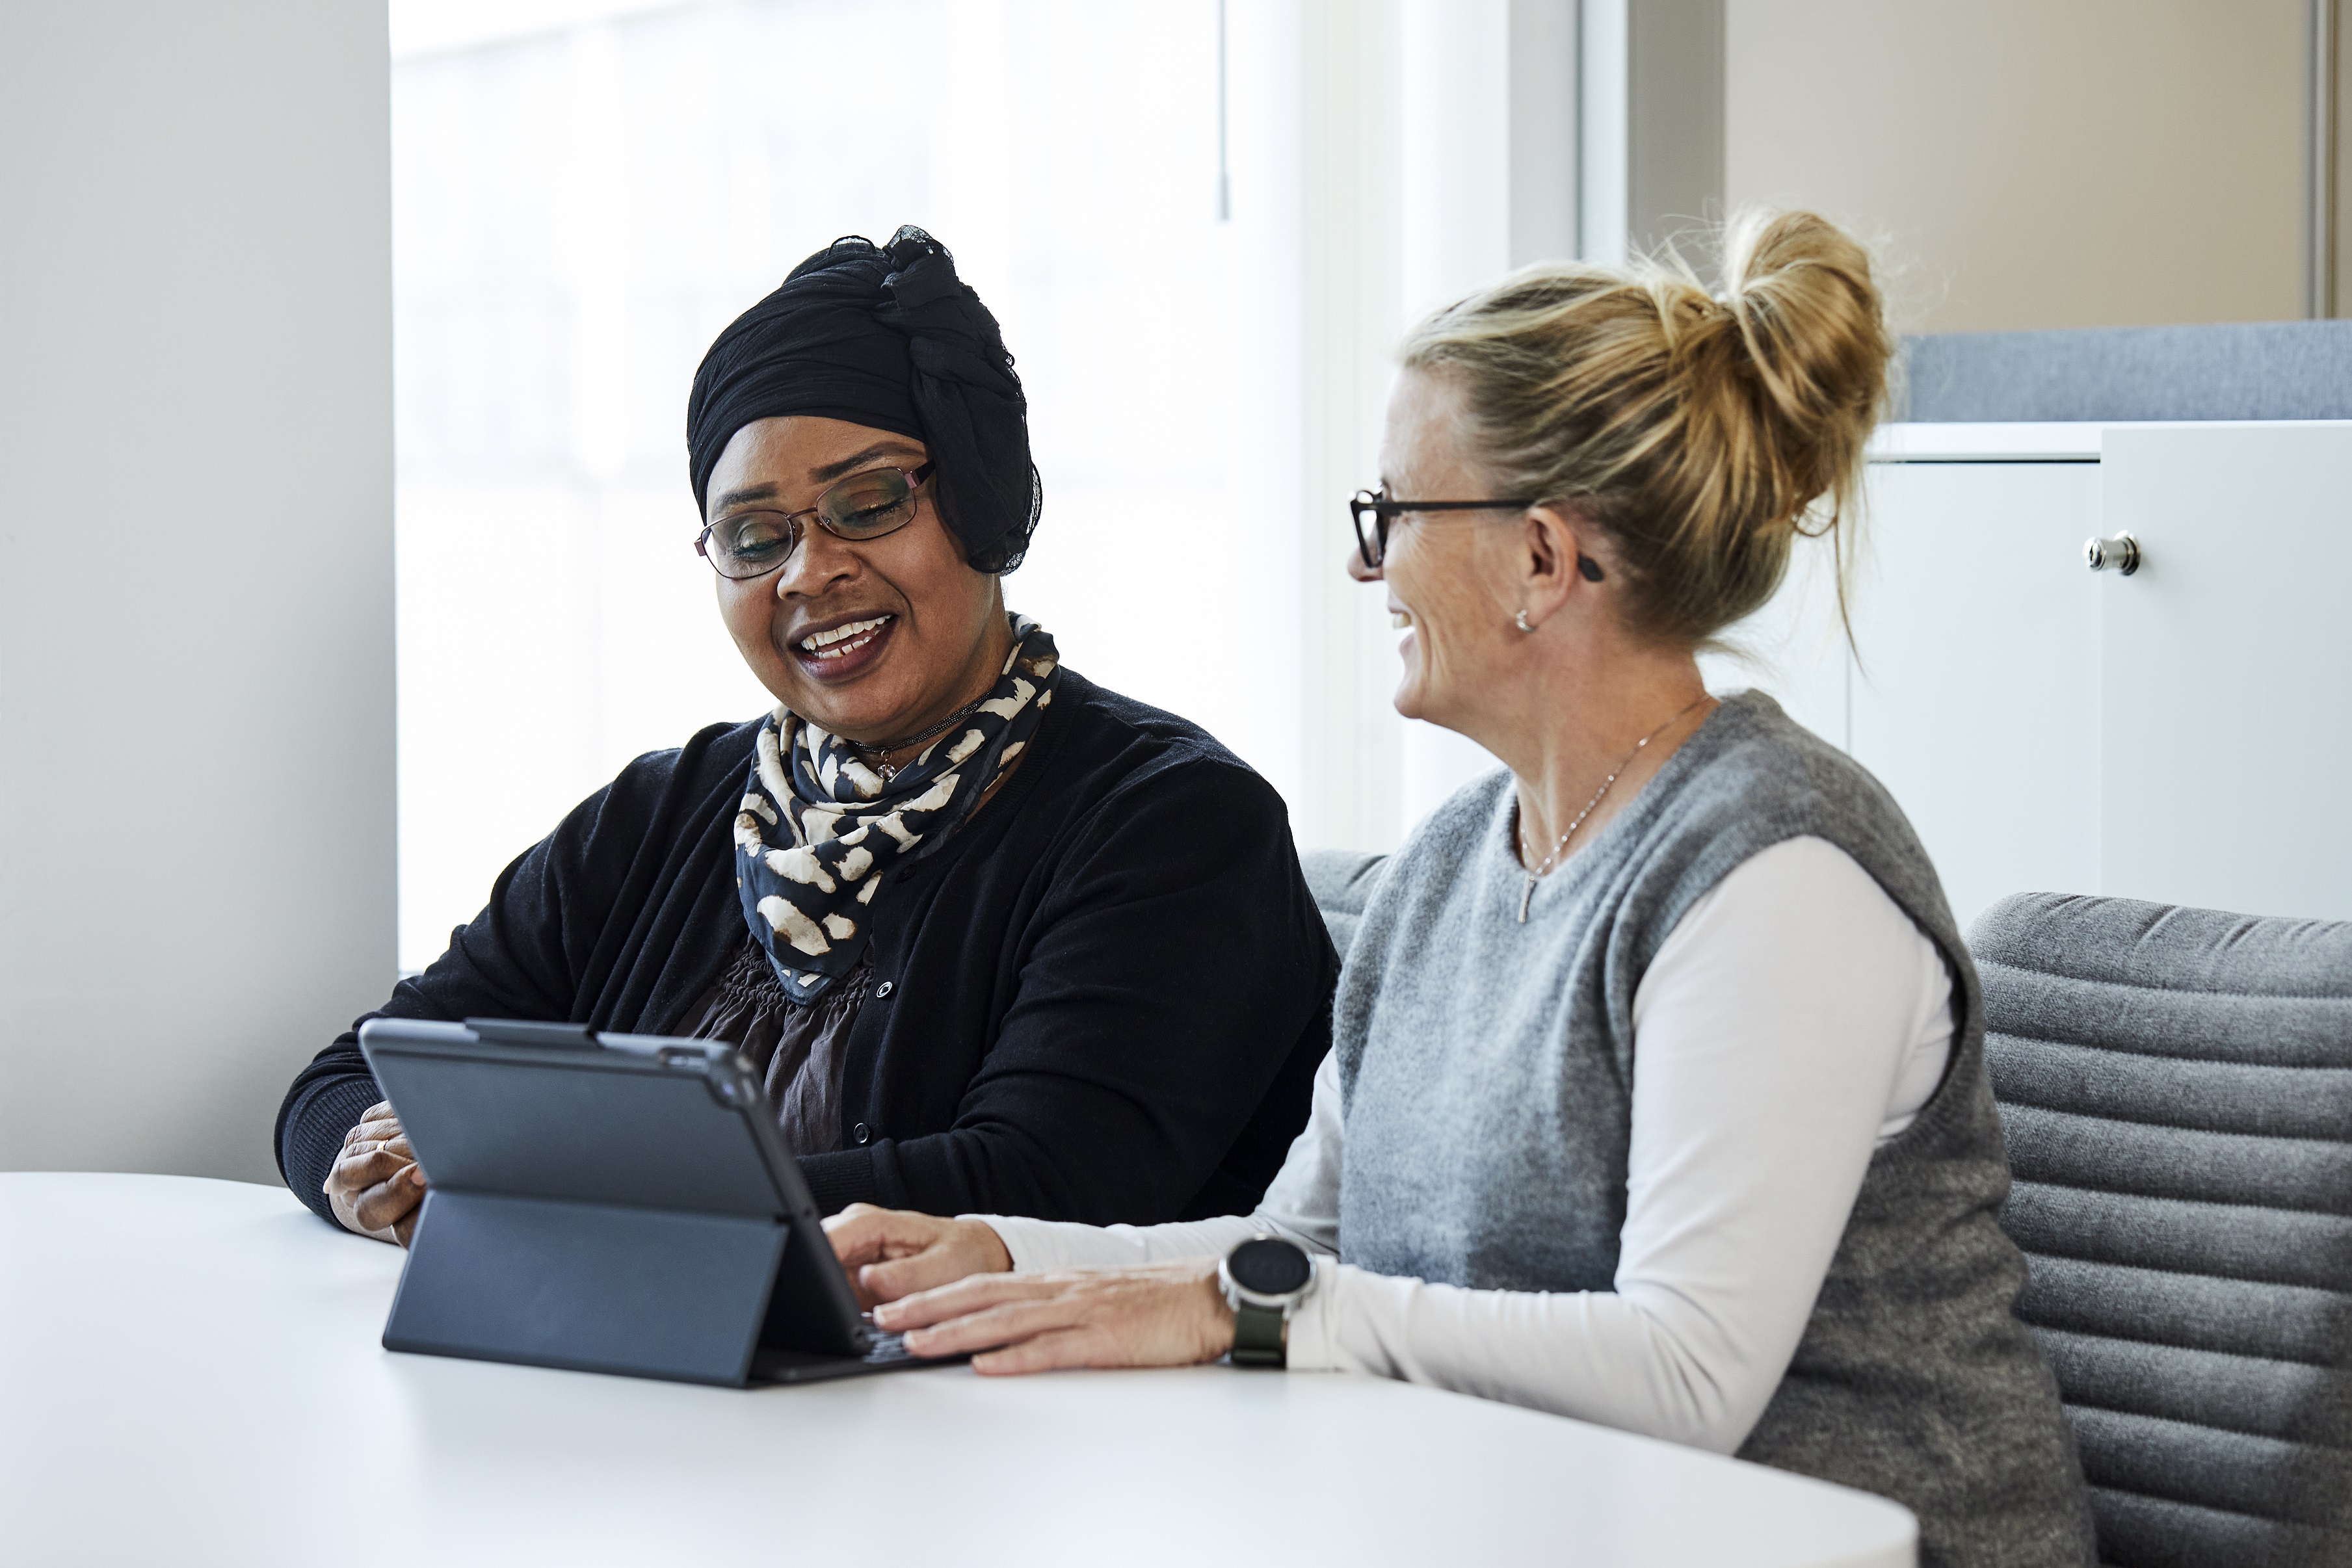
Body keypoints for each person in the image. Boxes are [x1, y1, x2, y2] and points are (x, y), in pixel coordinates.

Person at [822, 213, 2095, 1567]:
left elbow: (1686, 1372)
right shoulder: (1445, 868)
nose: (1364, 566)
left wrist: (1270, 1313)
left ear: (1543, 560)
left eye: (1391, 515)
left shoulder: (1778, 875)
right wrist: (1008, 1254)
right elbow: (1295, 1240)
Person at [278, 226, 1336, 1246]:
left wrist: (555, 1181)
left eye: (868, 503)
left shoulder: (1171, 822)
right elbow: (349, 1078)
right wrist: (378, 1164)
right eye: (752, 536)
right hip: (655, 1396)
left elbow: (1043, 1184)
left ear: (979, 498)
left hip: (1009, 1418)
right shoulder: (665, 810)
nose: (806, 572)